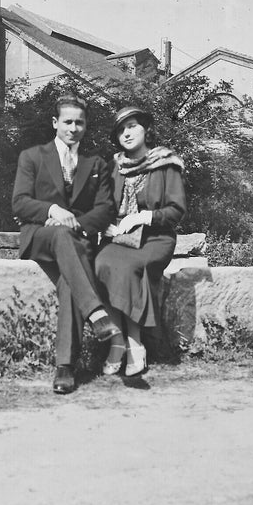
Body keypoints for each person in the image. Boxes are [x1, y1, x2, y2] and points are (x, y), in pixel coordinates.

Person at [12, 93, 122, 395]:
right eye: (67, 122)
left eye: (79, 122)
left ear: (85, 126)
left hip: (76, 241)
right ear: (55, 123)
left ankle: (65, 367)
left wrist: (77, 223)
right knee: (60, 235)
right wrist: (52, 211)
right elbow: (20, 203)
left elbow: (105, 209)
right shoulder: (32, 157)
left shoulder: (96, 163)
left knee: (68, 283)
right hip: (40, 236)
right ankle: (97, 314)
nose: (73, 128)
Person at [94, 106, 187, 377]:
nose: (127, 133)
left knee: (129, 268)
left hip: (155, 239)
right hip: (121, 241)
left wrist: (145, 217)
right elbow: (103, 206)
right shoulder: (115, 167)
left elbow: (176, 211)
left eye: (132, 126)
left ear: (146, 129)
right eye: (121, 130)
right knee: (100, 263)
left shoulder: (166, 163)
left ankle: (132, 344)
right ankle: (118, 341)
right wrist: (105, 224)